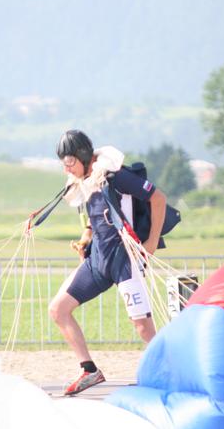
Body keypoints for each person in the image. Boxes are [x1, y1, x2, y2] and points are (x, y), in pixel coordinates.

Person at [48, 130, 167, 395]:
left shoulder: (115, 175)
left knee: (142, 327)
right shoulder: (86, 181)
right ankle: (90, 370)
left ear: (81, 156)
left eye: (68, 161)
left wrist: (151, 244)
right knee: (58, 310)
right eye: (62, 162)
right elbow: (97, 215)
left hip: (124, 261)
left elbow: (159, 199)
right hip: (98, 261)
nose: (65, 167)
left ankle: (171, 371)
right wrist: (86, 237)